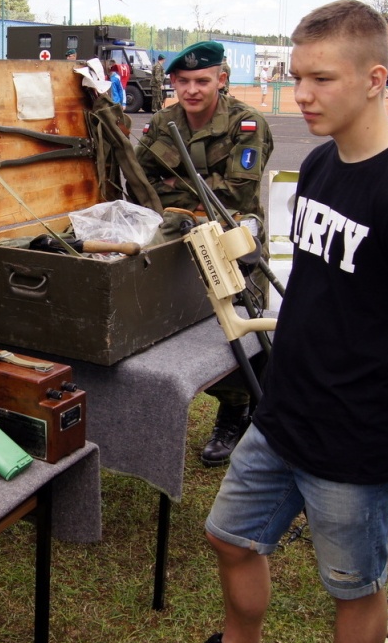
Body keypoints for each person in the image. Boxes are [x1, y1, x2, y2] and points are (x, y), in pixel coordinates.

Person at [203, 0, 388, 643]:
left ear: (376, 79)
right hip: (285, 411)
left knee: (352, 588)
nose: (302, 95)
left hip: (356, 437)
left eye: (322, 79)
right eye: (297, 77)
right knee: (229, 538)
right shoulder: (318, 164)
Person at [135, 40, 274, 466]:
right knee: (183, 325)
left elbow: (238, 191)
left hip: (233, 239)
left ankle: (237, 414)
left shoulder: (247, 124)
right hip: (179, 237)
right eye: (183, 81)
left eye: (202, 80)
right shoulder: (163, 122)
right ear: (172, 82)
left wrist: (177, 196)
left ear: (222, 80)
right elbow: (140, 181)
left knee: (237, 329)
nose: (192, 89)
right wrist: (185, 202)